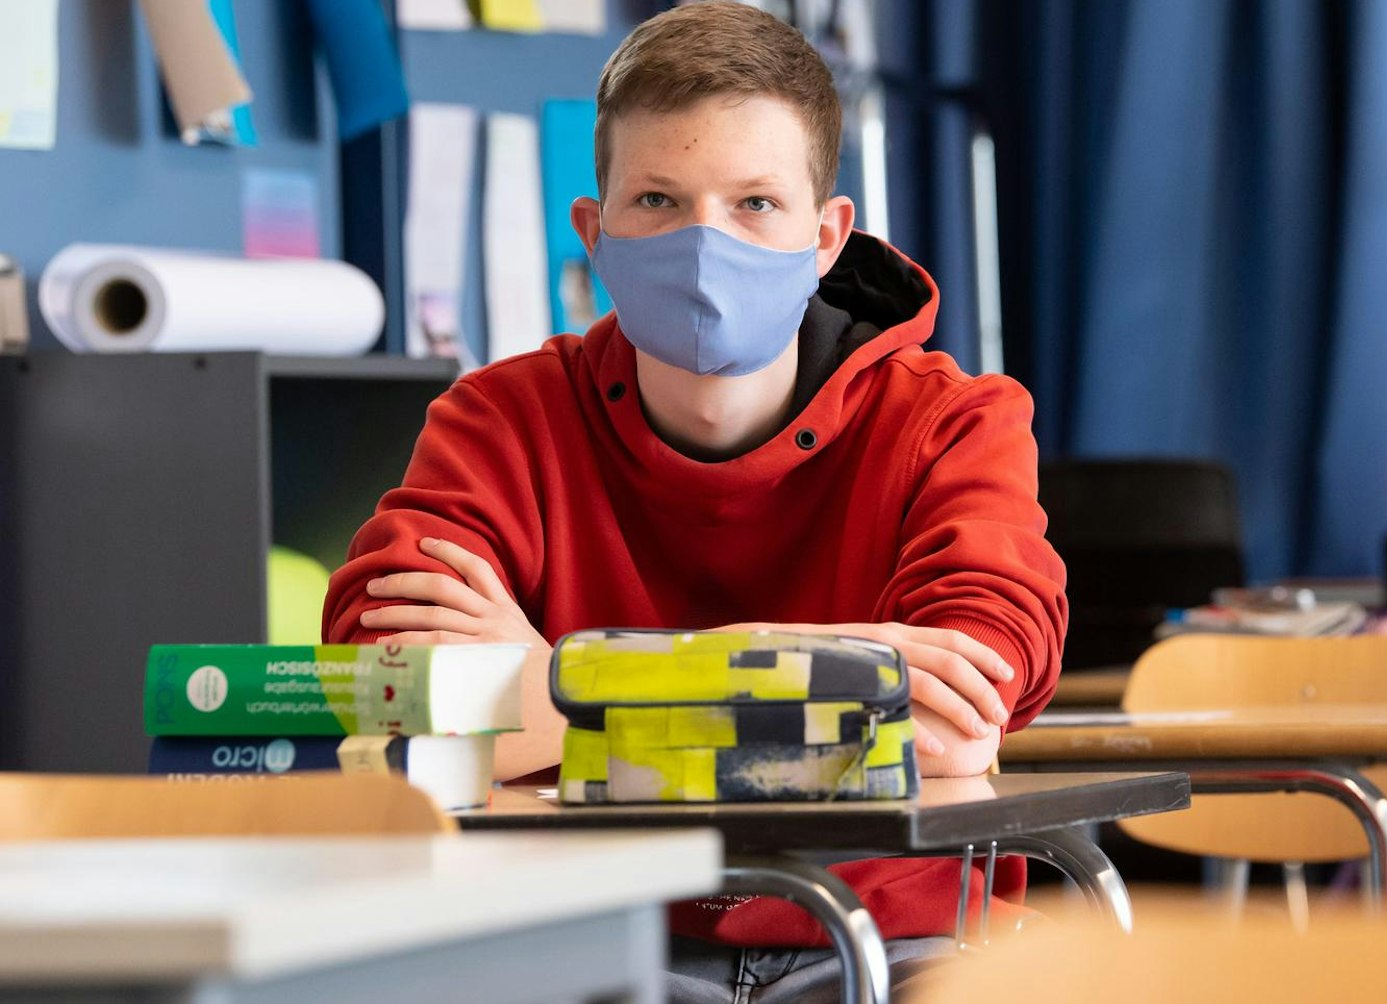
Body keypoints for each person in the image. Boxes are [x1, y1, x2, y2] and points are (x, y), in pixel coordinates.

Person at [322, 2, 1068, 994]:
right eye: (659, 201)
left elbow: (953, 717)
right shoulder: (499, 421)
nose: (703, 242)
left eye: (754, 203)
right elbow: (389, 690)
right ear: (595, 229)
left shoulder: (953, 424)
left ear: (826, 235)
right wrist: (829, 681)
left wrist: (554, 689)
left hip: (894, 952)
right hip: (585, 946)